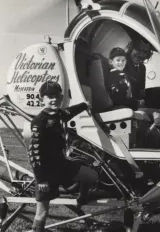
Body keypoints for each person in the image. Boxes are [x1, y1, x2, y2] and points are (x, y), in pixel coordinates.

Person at [29, 80, 98, 232]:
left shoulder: (60, 114)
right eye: (49, 97)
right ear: (42, 99)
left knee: (91, 175)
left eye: (56, 96)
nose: (53, 99)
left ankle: (82, 198)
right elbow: (34, 153)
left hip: (62, 165)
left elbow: (71, 111)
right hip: (47, 172)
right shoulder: (39, 121)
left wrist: (85, 105)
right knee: (42, 213)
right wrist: (41, 180)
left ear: (61, 98)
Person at [107, 47, 160, 149]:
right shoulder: (113, 77)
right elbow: (118, 98)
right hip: (122, 107)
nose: (121, 63)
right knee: (156, 112)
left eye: (123, 60)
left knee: (157, 111)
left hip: (129, 106)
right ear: (111, 62)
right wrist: (136, 103)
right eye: (118, 60)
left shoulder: (122, 75)